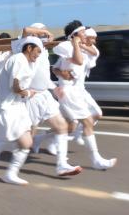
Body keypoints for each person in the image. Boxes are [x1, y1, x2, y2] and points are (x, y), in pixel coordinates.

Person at [13, 24, 82, 177]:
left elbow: (43, 75)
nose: (44, 35)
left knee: (62, 126)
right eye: (40, 31)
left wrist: (53, 88)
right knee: (25, 138)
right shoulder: (22, 46)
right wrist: (44, 31)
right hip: (30, 97)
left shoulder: (42, 51)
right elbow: (25, 30)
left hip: (45, 95)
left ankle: (62, 165)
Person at [52, 20, 117, 170]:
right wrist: (75, 44)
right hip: (68, 91)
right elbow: (77, 61)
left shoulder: (84, 48)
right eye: (82, 32)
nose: (85, 34)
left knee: (67, 125)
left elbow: (93, 53)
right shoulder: (65, 46)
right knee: (83, 123)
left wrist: (79, 45)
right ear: (74, 34)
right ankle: (95, 160)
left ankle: (58, 155)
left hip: (77, 91)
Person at [0, 37, 43, 185]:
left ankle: (9, 170)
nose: (38, 55)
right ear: (29, 48)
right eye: (37, 51)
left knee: (26, 141)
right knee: (24, 141)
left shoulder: (26, 62)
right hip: (7, 106)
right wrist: (29, 93)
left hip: (17, 106)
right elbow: (16, 87)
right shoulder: (19, 60)